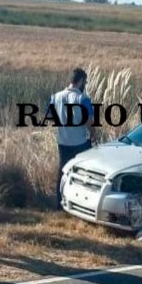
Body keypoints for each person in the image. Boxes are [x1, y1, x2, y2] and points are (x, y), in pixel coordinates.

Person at [51, 68, 95, 209]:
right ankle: (79, 203)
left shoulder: (56, 97)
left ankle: (59, 204)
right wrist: (93, 134)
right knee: (83, 173)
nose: (85, 85)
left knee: (62, 170)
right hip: (80, 142)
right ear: (81, 81)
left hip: (62, 141)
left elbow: (50, 116)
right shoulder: (83, 99)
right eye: (85, 82)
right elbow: (89, 121)